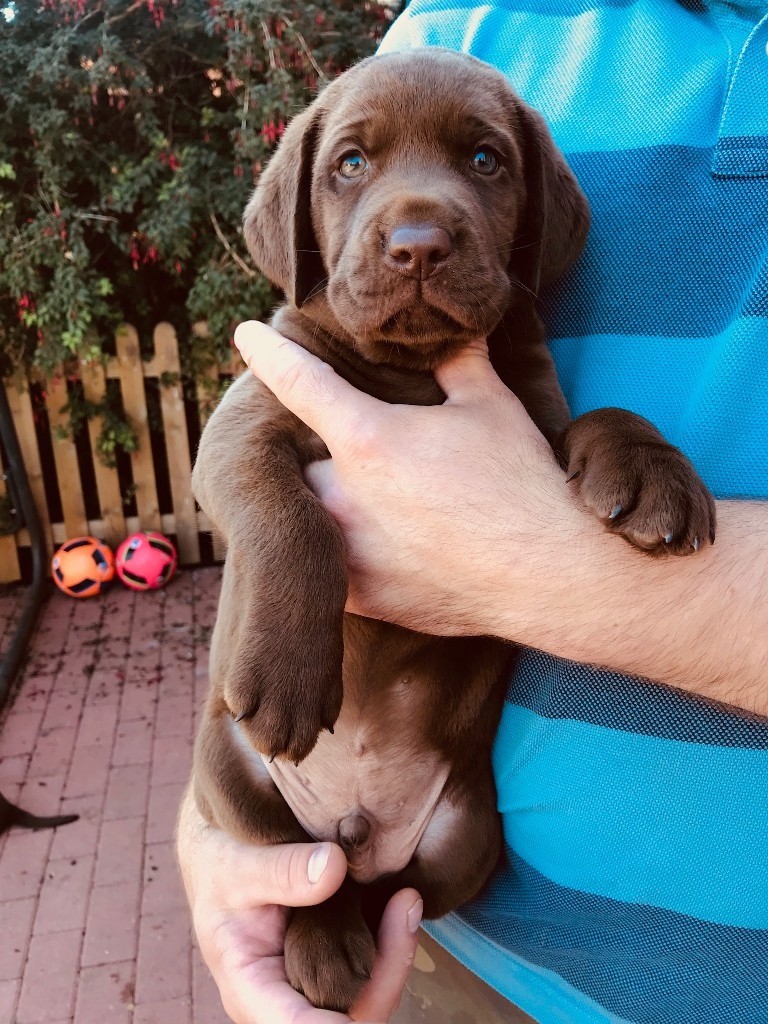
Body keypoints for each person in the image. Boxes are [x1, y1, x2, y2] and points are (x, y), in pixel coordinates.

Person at [178, 1, 768, 1022]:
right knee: (237, 767)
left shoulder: (511, 353)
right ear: (300, 226)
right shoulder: (463, 26)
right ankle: (324, 898)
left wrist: (607, 454)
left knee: (457, 848)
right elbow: (234, 455)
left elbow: (551, 461)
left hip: (454, 846)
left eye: (483, 165)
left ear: (539, 215)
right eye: (353, 165)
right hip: (464, 973)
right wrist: (220, 863)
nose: (413, 225)